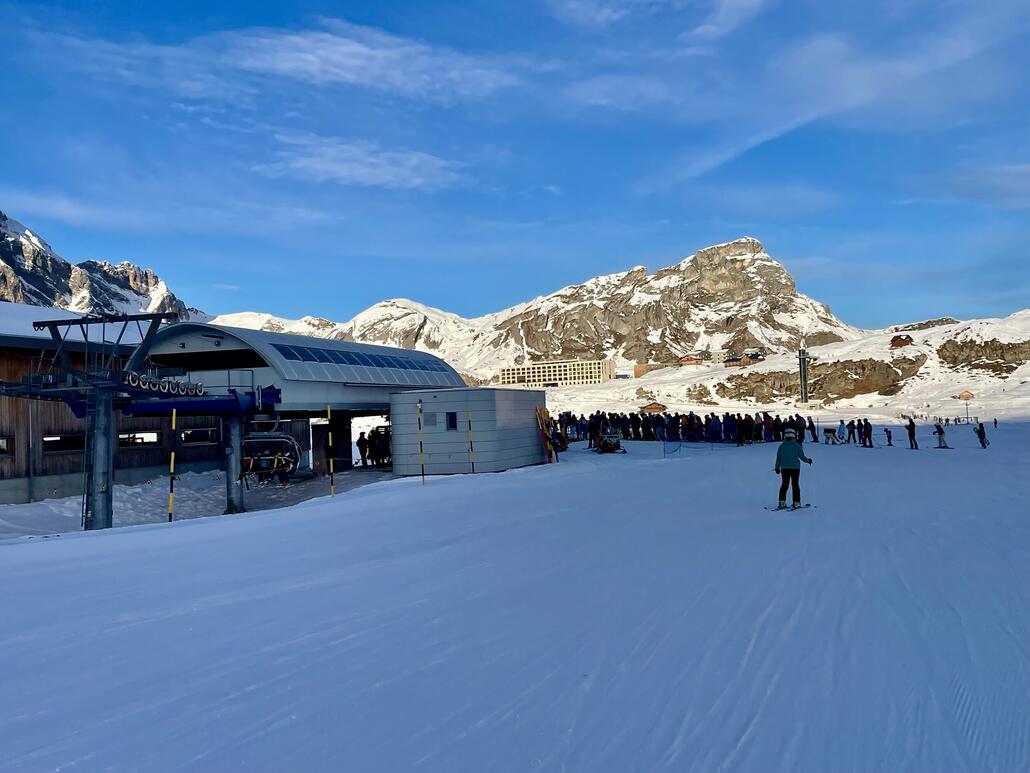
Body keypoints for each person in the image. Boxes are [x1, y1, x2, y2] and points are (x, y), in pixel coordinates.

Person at [773, 428, 812, 509]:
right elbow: (802, 457)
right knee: (795, 485)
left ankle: (781, 502)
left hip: (784, 468)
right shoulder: (797, 445)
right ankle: (796, 503)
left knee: (784, 485)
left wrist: (777, 468)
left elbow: (778, 458)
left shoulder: (782, 446)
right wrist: (808, 460)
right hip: (795, 468)